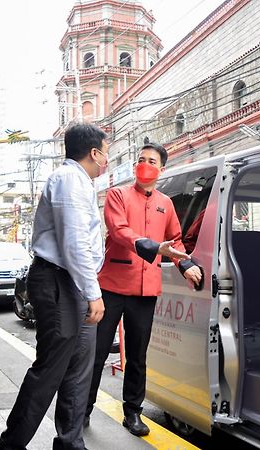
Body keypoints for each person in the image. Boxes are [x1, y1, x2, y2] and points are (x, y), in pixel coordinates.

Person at [0, 123, 108, 450]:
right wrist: (93, 292)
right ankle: (10, 445)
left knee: (78, 371)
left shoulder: (80, 182)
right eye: (106, 151)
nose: (107, 158)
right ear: (94, 152)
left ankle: (71, 444)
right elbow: (73, 243)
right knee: (49, 371)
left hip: (73, 283)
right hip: (60, 281)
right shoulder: (69, 181)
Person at [85, 142, 202, 436]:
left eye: (151, 161)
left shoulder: (166, 202)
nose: (144, 164)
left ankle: (133, 413)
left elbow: (175, 240)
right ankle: (82, 408)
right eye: (141, 159)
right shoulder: (118, 194)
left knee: (137, 356)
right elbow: (119, 230)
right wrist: (150, 246)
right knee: (96, 353)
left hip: (145, 291)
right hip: (111, 286)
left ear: (161, 168)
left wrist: (186, 264)